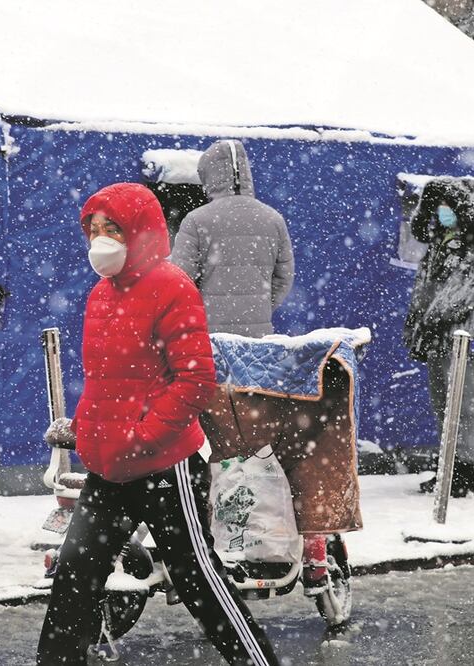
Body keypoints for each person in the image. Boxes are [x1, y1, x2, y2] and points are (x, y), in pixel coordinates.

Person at [37, 183, 280, 666]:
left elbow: (195, 381)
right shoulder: (100, 295)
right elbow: (102, 380)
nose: (100, 239)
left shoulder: (172, 286)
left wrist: (142, 436)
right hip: (109, 469)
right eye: (95, 229)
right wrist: (87, 429)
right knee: (74, 575)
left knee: (199, 582)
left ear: (141, 232)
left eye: (114, 229)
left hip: (165, 468)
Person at [405, 177, 474, 498]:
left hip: (462, 338)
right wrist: (420, 326)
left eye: (449, 205)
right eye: (438, 206)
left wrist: (430, 318)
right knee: (442, 407)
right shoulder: (439, 242)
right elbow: (425, 291)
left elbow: (467, 290)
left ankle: (463, 470)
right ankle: (447, 468)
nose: (442, 211)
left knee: (462, 406)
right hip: (438, 339)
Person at [171, 139, 294, 336]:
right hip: (258, 336)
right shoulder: (273, 219)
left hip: (209, 336)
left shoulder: (196, 220)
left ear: (209, 175)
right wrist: (258, 307)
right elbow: (283, 278)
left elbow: (180, 281)